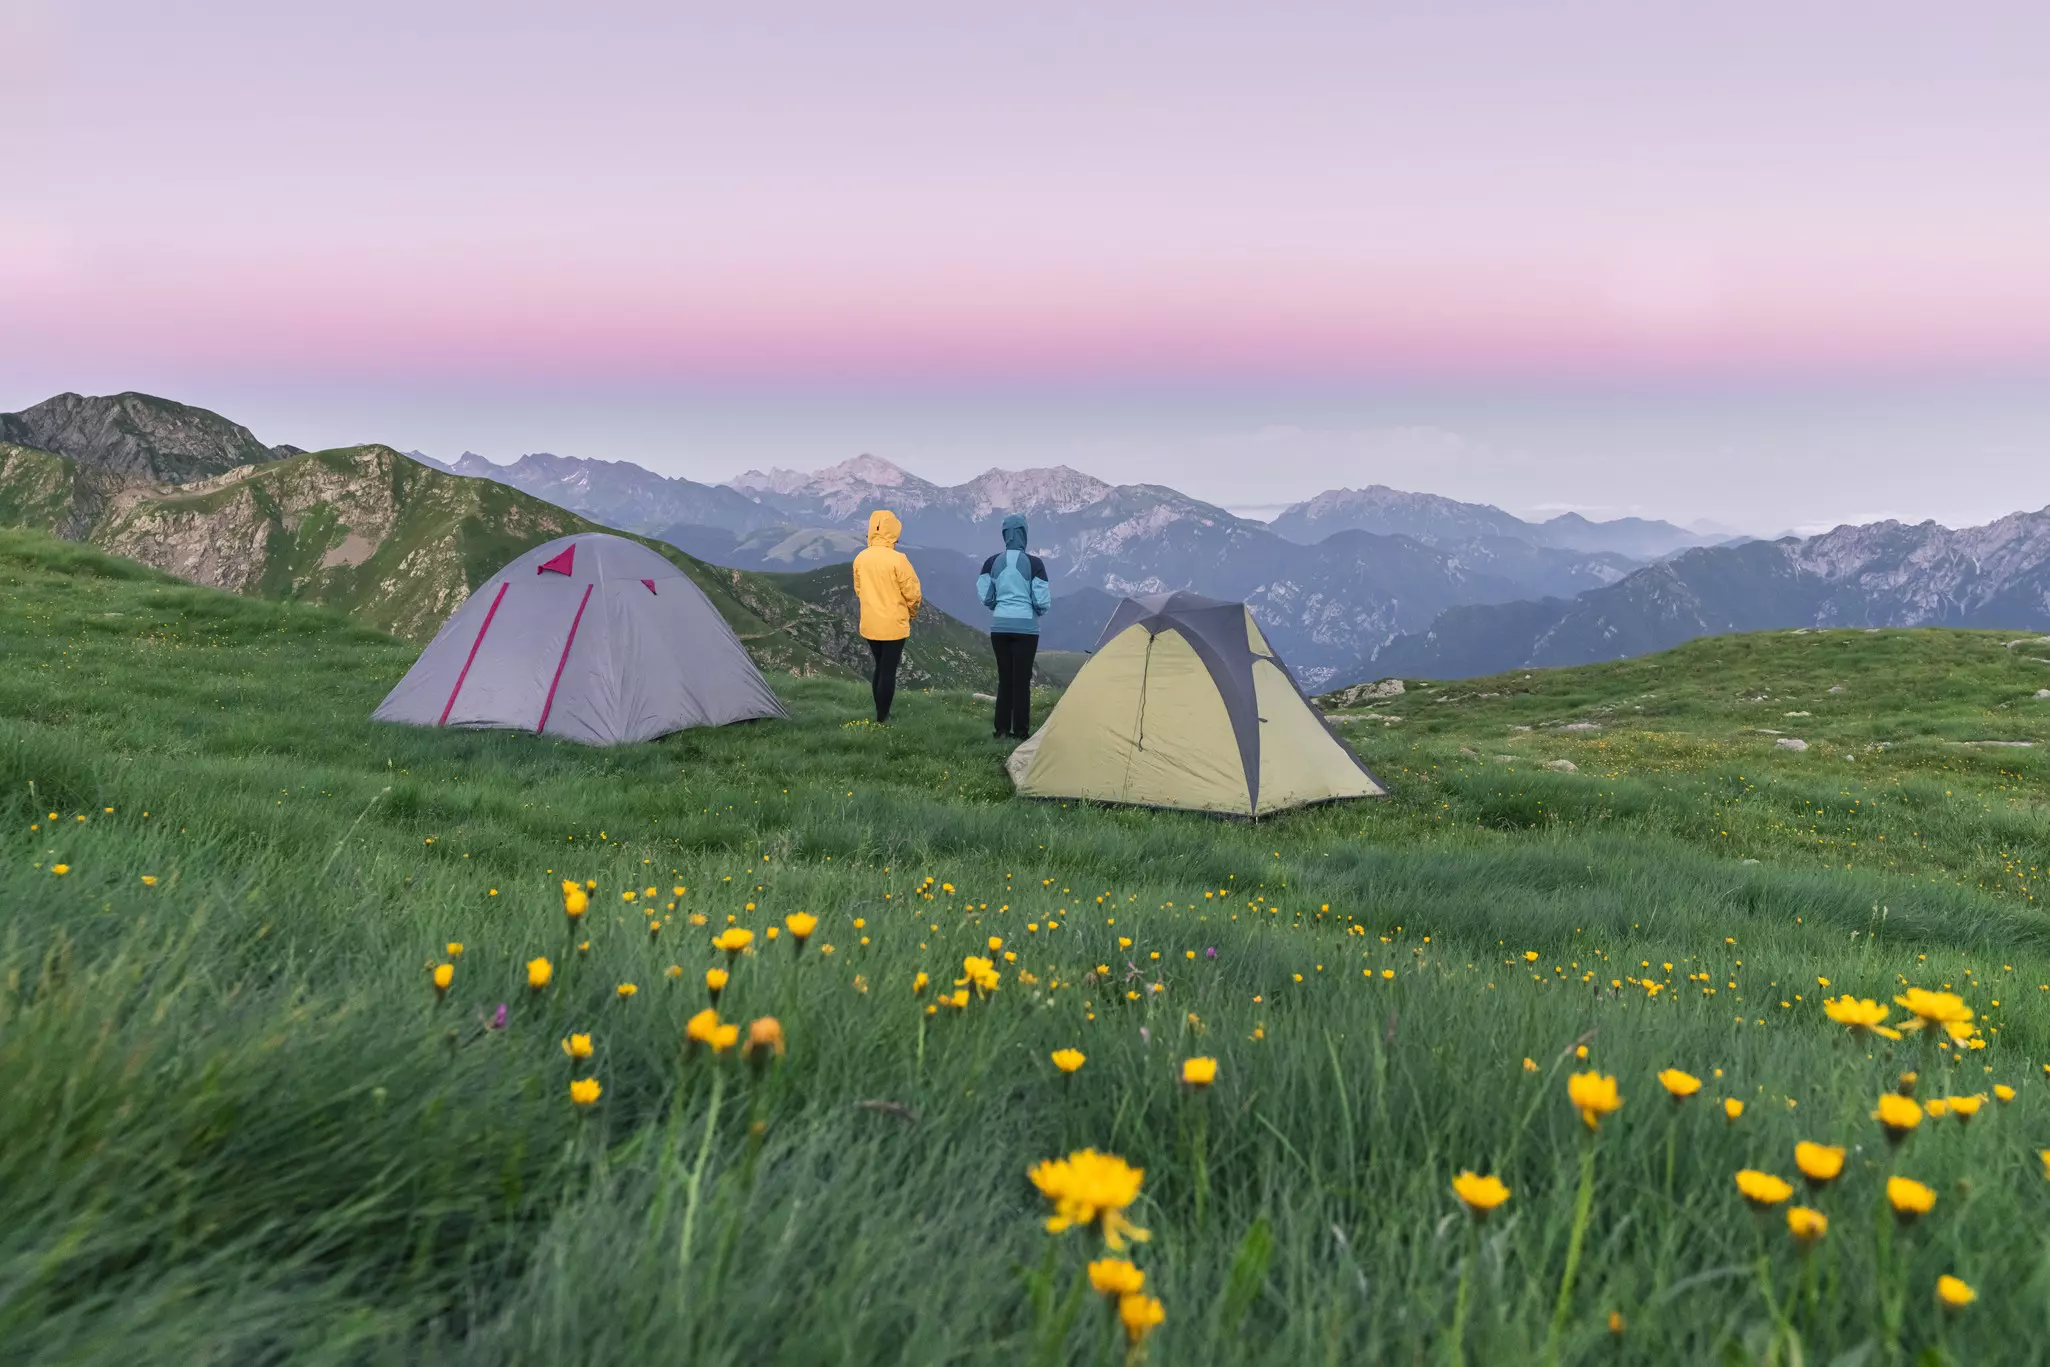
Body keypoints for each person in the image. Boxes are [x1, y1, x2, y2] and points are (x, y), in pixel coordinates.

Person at [976, 513, 1051, 739]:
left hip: (999, 628)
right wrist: (1033, 611)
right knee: (1022, 681)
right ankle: (1021, 732)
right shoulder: (1035, 564)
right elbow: (1042, 602)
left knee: (1005, 679)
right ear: (1024, 534)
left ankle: (1000, 730)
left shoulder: (991, 562)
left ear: (1004, 535)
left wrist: (998, 606)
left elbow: (986, 596)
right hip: (1026, 630)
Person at [851, 508, 921, 724]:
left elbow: (859, 589)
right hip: (894, 624)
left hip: (870, 623)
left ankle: (880, 712)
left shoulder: (861, 558)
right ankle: (883, 716)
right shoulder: (898, 559)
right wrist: (910, 613)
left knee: (879, 666)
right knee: (888, 670)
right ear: (894, 531)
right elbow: (913, 593)